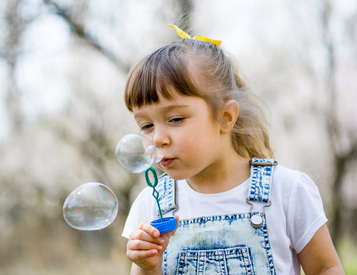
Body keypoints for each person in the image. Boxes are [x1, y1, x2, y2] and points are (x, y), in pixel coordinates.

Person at [121, 25, 344, 275]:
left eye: (175, 119)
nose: (158, 138)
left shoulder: (286, 191)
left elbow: (326, 267)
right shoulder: (152, 204)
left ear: (226, 117)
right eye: (146, 125)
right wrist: (146, 267)